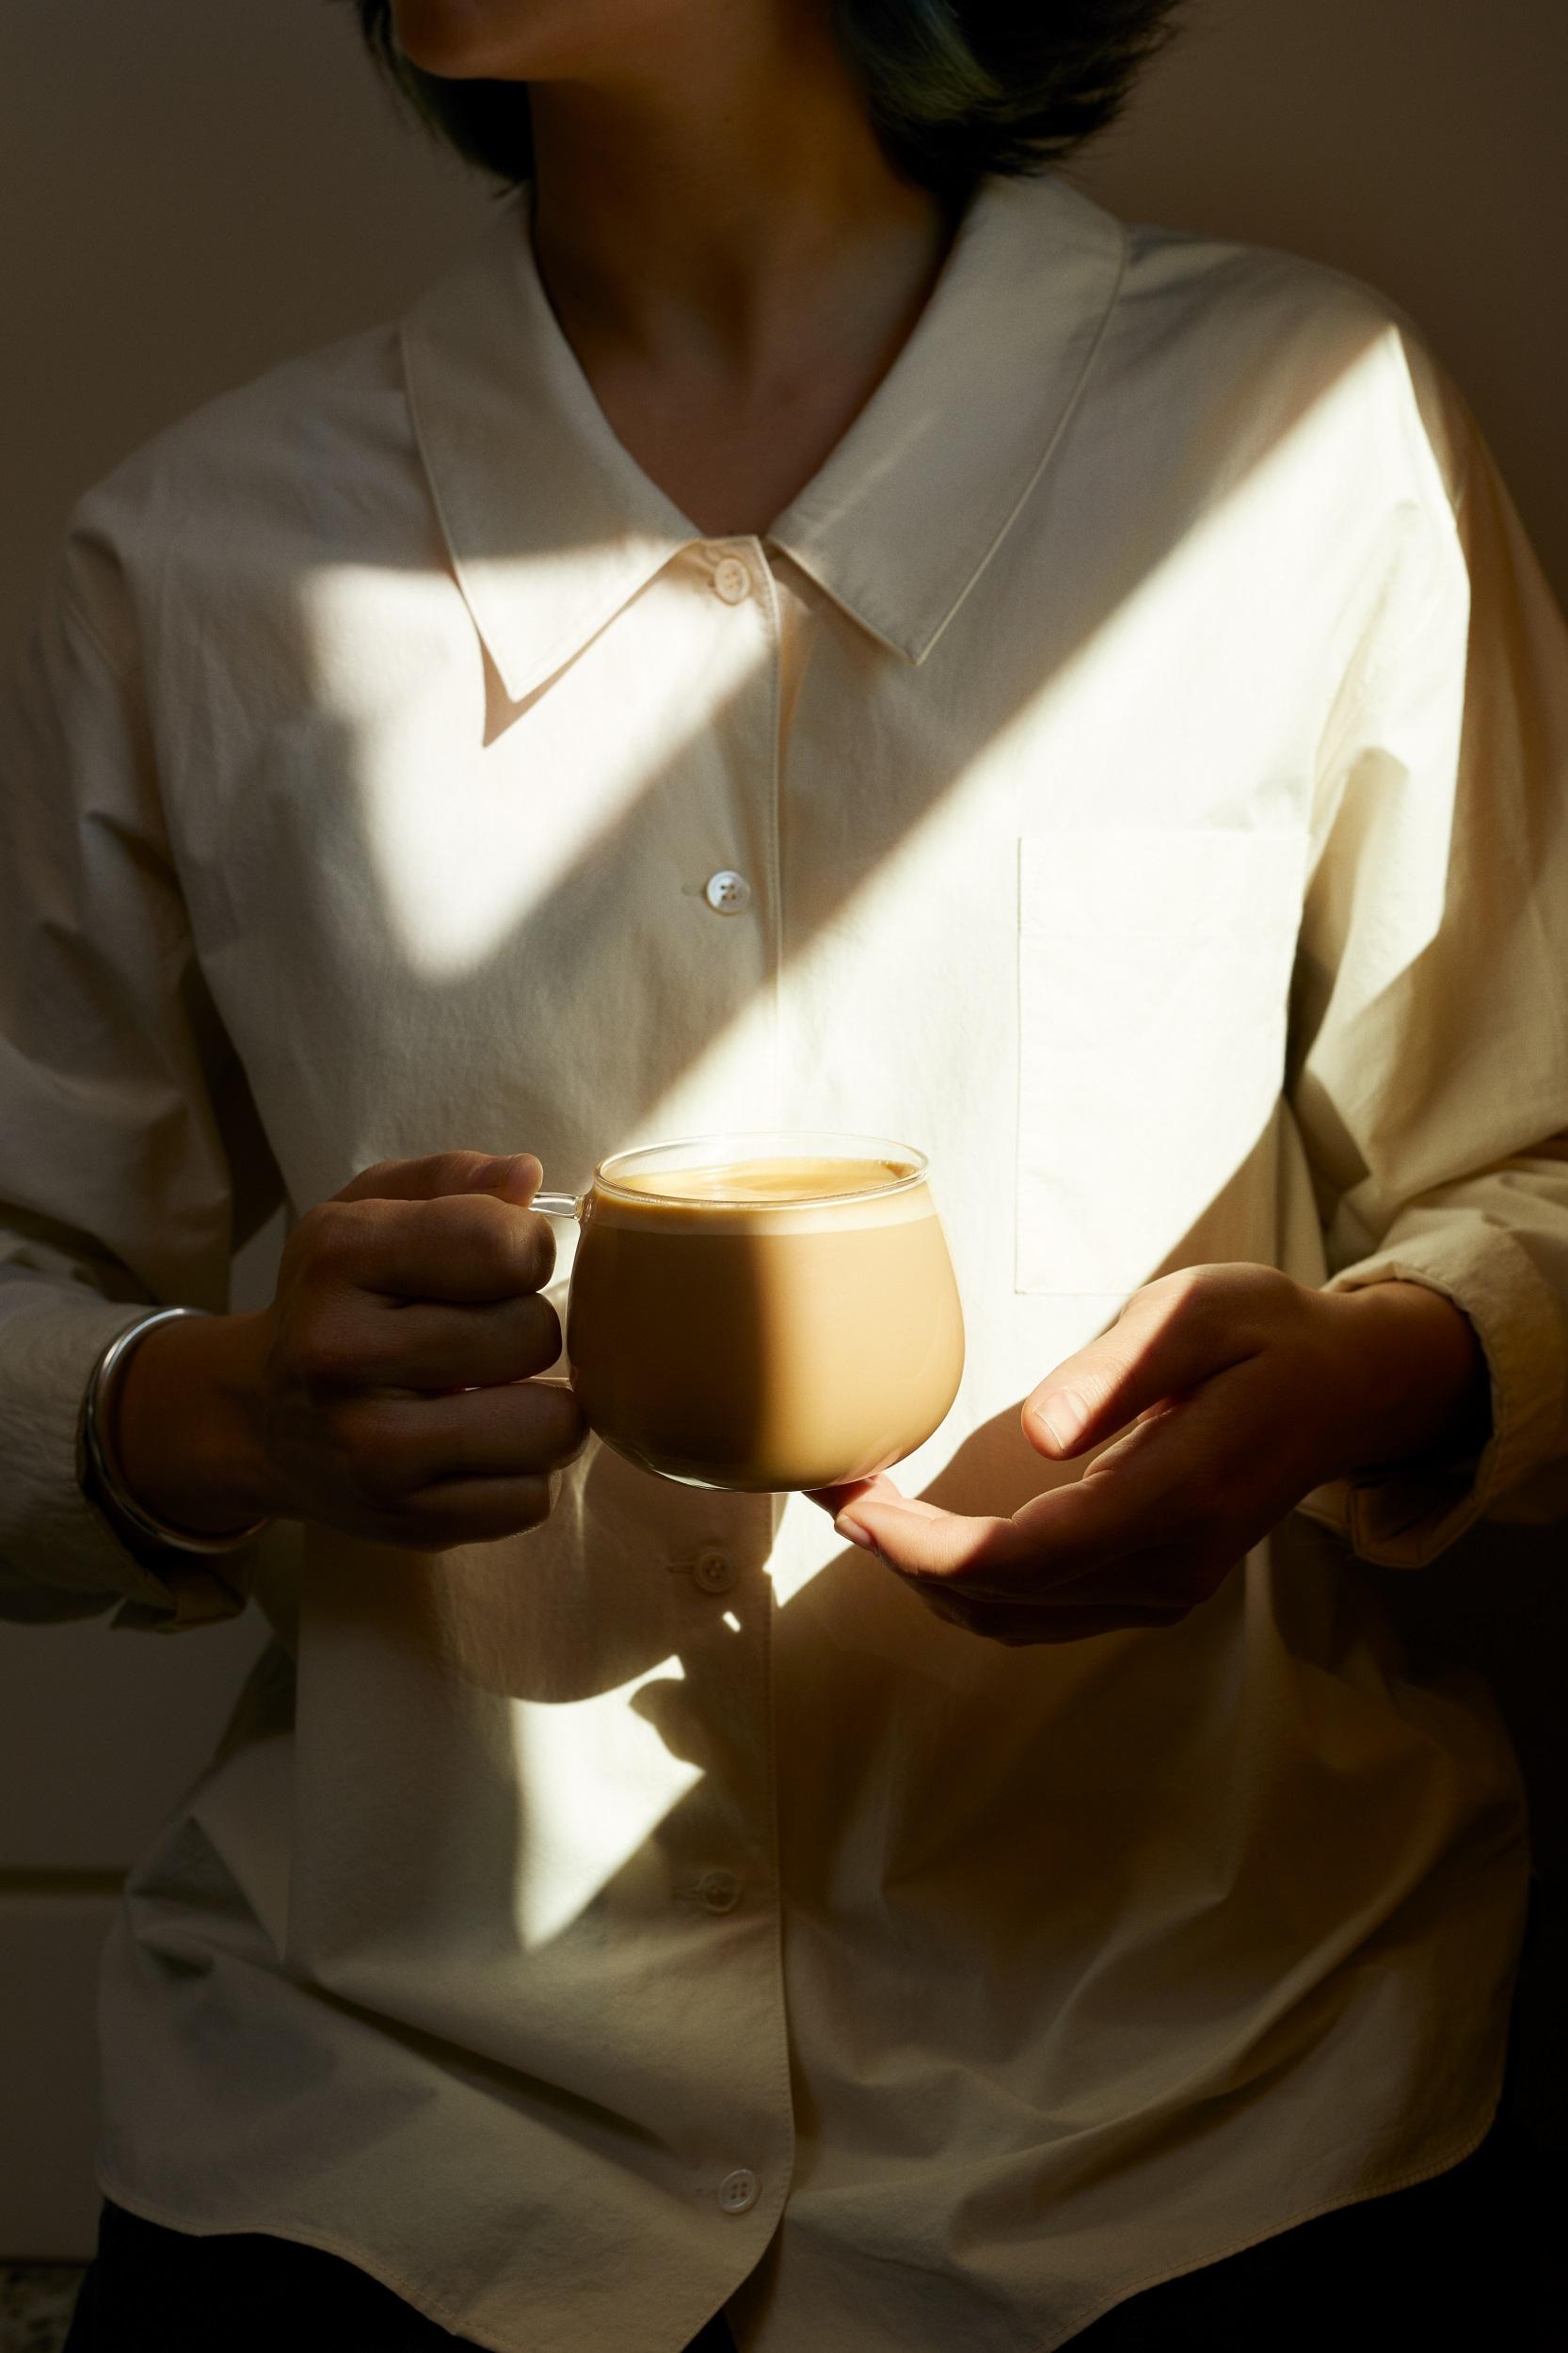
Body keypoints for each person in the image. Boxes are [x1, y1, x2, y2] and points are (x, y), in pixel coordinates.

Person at [2, 0, 1563, 2345]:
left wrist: (1380, 1366)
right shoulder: (197, 556)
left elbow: (1530, 1163)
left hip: (1216, 2129)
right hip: (372, 2166)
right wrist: (208, 1409)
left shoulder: (1295, 434)